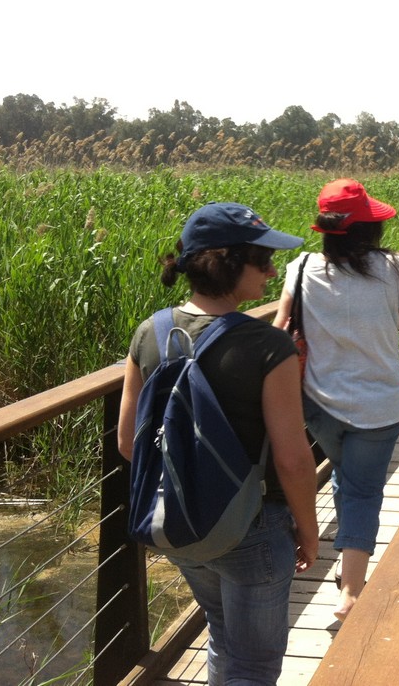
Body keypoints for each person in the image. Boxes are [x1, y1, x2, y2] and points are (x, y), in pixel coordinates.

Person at [117, 202, 319, 685]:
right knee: (252, 664)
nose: (273, 271)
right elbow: (292, 460)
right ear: (227, 262)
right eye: (262, 260)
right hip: (252, 524)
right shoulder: (268, 346)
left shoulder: (152, 332)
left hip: (181, 524)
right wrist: (309, 531)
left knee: (223, 635)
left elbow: (130, 443)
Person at [274, 179, 399, 622]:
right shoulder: (395, 271)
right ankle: (350, 593)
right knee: (362, 491)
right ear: (370, 231)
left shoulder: (301, 268)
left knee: (346, 474)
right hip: (378, 408)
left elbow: (281, 331)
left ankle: (341, 568)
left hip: (318, 407)